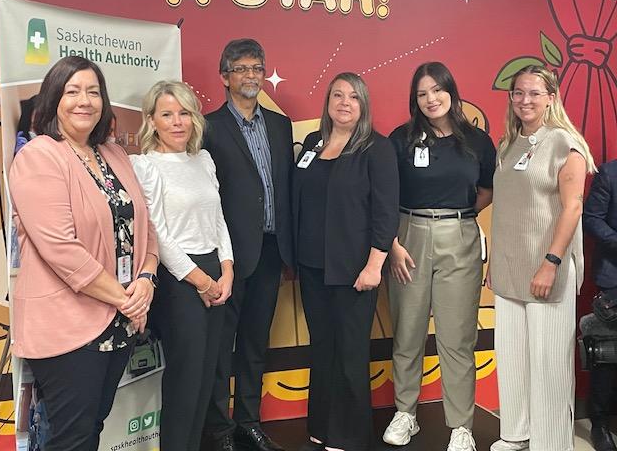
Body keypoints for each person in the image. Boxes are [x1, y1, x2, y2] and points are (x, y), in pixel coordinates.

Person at [8, 56, 159, 450]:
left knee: (92, 427)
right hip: (69, 327)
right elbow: (61, 249)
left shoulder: (114, 154)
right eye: (73, 91)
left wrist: (146, 276)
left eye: (93, 91)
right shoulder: (39, 156)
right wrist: (127, 299)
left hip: (119, 321)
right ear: (54, 99)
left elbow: (145, 227)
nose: (84, 101)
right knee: (71, 438)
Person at [383, 62, 496, 451]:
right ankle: (406, 413)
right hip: (407, 237)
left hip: (460, 235)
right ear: (414, 100)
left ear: (451, 90)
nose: (431, 99)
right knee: (408, 329)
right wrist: (394, 243)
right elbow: (384, 196)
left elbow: (485, 190)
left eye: (437, 90)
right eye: (422, 93)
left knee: (457, 336)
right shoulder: (400, 139)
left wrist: (455, 218)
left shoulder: (477, 141)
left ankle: (461, 425)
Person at [488, 64, 596, 451]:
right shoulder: (509, 143)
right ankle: (515, 434)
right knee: (513, 360)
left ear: (551, 97)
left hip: (545, 269)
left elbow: (573, 208)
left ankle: (551, 443)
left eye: (534, 92)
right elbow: (508, 208)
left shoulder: (565, 142)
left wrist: (551, 263)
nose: (525, 99)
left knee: (549, 365)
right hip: (509, 269)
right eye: (518, 92)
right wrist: (495, 264)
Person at [293, 72, 399, 451]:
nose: (344, 102)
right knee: (322, 347)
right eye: (337, 95)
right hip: (311, 266)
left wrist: (374, 266)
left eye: (353, 97)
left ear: (363, 105)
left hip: (355, 269)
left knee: (350, 351)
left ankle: (350, 436)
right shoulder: (311, 144)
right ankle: (321, 426)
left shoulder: (377, 148)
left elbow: (386, 212)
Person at [130, 81, 234, 450]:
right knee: (185, 381)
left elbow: (218, 218)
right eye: (167, 115)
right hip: (179, 280)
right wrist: (202, 281)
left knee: (208, 377)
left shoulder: (202, 159)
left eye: (184, 113)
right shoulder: (144, 166)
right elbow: (157, 234)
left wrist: (227, 269)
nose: (178, 122)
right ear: (151, 121)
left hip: (215, 270)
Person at [203, 38, 294, 451]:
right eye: (241, 68)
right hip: (227, 257)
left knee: (256, 342)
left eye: (257, 67)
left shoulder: (280, 125)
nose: (251, 75)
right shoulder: (207, 127)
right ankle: (219, 430)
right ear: (225, 77)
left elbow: (285, 188)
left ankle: (248, 421)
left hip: (272, 250)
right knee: (222, 347)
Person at [583, 158, 617, 451]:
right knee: (608, 356)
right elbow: (592, 217)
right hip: (614, 278)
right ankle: (600, 423)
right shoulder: (610, 173)